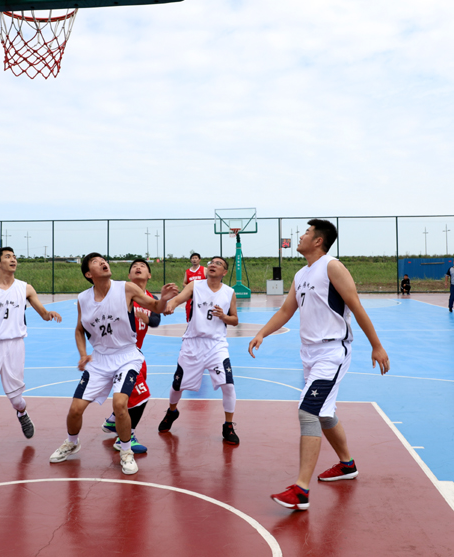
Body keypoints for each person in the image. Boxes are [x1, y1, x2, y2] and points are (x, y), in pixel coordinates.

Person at [248, 219, 390, 511]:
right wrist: (262, 332)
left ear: (318, 241)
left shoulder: (332, 267)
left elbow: (356, 305)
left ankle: (301, 490)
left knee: (308, 411)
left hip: (332, 351)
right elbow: (286, 310)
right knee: (324, 413)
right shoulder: (301, 273)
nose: (301, 236)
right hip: (309, 354)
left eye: (306, 232)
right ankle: (347, 465)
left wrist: (376, 345)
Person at [49, 253, 178, 475]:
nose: (103, 262)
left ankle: (126, 451)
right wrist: (83, 354)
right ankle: (71, 442)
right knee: (75, 409)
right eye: (96, 262)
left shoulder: (126, 289)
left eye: (103, 260)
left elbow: (156, 308)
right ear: (88, 274)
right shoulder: (83, 299)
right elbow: (79, 330)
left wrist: (164, 299)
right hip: (99, 359)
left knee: (120, 404)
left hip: (126, 356)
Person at [0, 247, 62, 462]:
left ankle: (22, 413)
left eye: (14, 257)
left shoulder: (25, 288)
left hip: (15, 346)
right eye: (8, 257)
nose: (13, 260)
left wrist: (49, 314)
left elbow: (43, 313)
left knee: (17, 400)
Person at [159, 256, 240, 444]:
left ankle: (228, 425)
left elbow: (235, 320)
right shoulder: (195, 286)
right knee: (177, 385)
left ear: (224, 272)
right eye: (211, 262)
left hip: (216, 345)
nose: (213, 265)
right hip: (193, 343)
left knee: (228, 385)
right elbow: (178, 299)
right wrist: (170, 305)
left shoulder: (229, 292)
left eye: (218, 264)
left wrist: (224, 317)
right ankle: (172, 411)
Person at [101, 259, 161, 454]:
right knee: (142, 394)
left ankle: (113, 420)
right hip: (120, 353)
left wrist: (147, 318)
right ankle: (126, 437)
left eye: (142, 266)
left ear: (149, 275)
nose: (138, 267)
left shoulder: (150, 298)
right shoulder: (121, 295)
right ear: (128, 276)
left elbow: (156, 320)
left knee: (132, 392)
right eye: (134, 267)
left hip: (135, 353)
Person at [183, 253, 207, 322]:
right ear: (191, 260)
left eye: (196, 258)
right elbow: (184, 283)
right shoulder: (187, 271)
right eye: (193, 258)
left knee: (202, 316)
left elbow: (210, 282)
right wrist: (190, 288)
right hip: (191, 297)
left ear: (199, 260)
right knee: (190, 316)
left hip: (202, 297)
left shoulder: (205, 270)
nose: (194, 260)